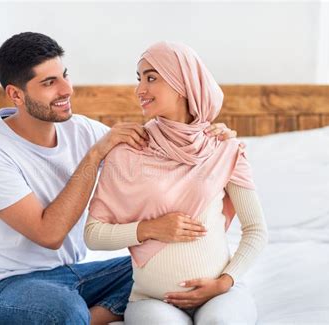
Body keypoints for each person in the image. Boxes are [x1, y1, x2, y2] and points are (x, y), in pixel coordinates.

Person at [0, 32, 236, 325]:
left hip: (78, 272)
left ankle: (87, 318)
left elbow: (159, 157)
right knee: (64, 311)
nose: (67, 89)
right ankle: (78, 318)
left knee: (166, 273)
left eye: (64, 75)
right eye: (49, 83)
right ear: (16, 95)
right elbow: (49, 234)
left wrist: (207, 139)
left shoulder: (83, 130)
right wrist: (94, 156)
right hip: (11, 284)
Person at [85, 41, 268, 324]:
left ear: (182, 83)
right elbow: (93, 234)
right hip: (152, 300)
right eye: (139, 78)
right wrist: (149, 229)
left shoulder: (222, 147)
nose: (139, 89)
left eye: (151, 77)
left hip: (221, 295)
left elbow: (256, 230)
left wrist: (224, 282)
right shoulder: (128, 151)